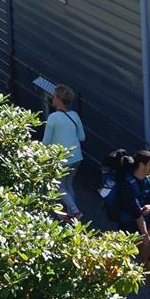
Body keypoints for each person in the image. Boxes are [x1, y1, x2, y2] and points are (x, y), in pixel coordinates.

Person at [114, 149, 150, 299]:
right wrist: (146, 236)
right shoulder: (128, 184)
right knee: (146, 265)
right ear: (141, 165)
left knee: (148, 265)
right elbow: (136, 214)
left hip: (145, 226)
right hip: (129, 229)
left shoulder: (149, 181)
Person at [42, 84, 85, 221]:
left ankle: (75, 211)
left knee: (58, 185)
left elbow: (46, 142)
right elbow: (82, 137)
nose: (52, 99)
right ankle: (72, 215)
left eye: (53, 97)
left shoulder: (53, 117)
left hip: (62, 158)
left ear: (59, 99)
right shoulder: (75, 115)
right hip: (77, 156)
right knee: (68, 184)